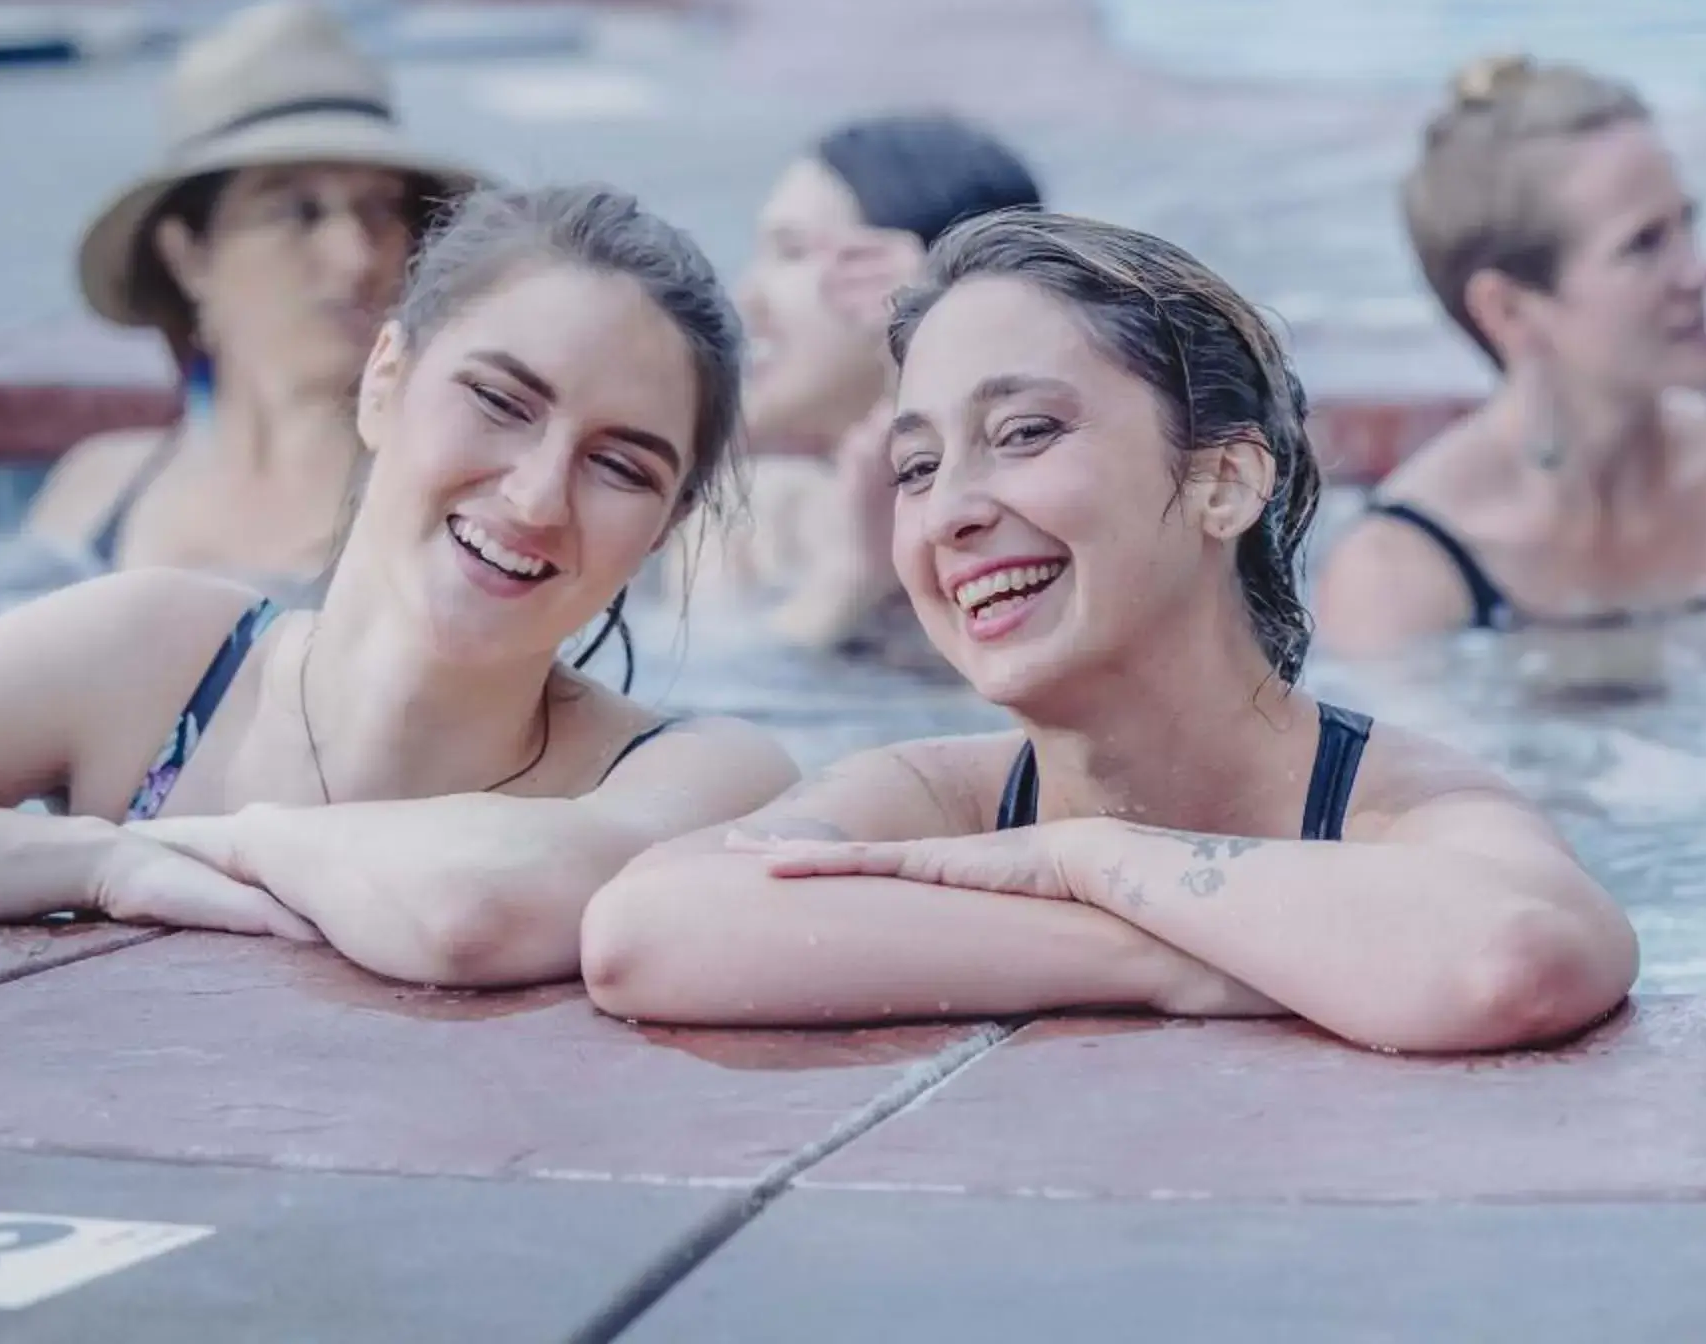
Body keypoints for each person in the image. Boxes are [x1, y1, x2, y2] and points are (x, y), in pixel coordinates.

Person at [580, 211, 1639, 1054]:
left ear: (1224, 479)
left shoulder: (1407, 805)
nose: (950, 510)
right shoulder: (932, 794)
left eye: (1024, 432)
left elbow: (1515, 956)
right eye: (917, 466)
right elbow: (647, 931)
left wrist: (1087, 852)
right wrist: (1168, 954)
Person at [0, 185, 797, 987]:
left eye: (621, 466)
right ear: (384, 379)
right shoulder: (163, 660)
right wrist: (94, 861)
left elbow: (474, 915)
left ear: (665, 529)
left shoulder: (699, 775)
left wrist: (224, 844)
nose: (537, 497)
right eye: (500, 402)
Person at [1312, 58, 1706, 655]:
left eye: (1686, 225)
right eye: (1644, 245)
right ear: (1509, 309)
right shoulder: (1398, 580)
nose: (1700, 271)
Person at [26, 0, 484, 580]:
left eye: (381, 208)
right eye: (297, 211)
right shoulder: (94, 494)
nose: (358, 256)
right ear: (189, 256)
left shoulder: (449, 508)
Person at [699, 113, 1043, 655]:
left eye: (790, 251)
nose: (747, 297)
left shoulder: (1041, 515)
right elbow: (703, 710)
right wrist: (851, 579)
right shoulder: (747, 512)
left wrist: (942, 329)